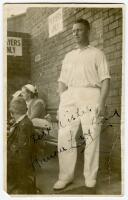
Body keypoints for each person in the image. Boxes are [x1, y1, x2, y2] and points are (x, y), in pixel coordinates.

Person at [53, 18, 110, 190]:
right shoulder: (68, 56)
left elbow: (105, 80)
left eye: (79, 30)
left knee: (91, 136)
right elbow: (62, 81)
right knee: (65, 136)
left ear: (87, 31)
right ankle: (65, 176)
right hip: (70, 95)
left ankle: (90, 176)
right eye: (73, 31)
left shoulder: (97, 54)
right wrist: (62, 102)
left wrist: (101, 102)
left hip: (91, 94)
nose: (75, 33)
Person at [7, 97, 36, 194]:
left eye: (12, 114)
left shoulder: (24, 125)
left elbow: (22, 148)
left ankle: (12, 186)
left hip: (20, 160)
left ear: (13, 112)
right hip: (19, 155)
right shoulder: (23, 121)